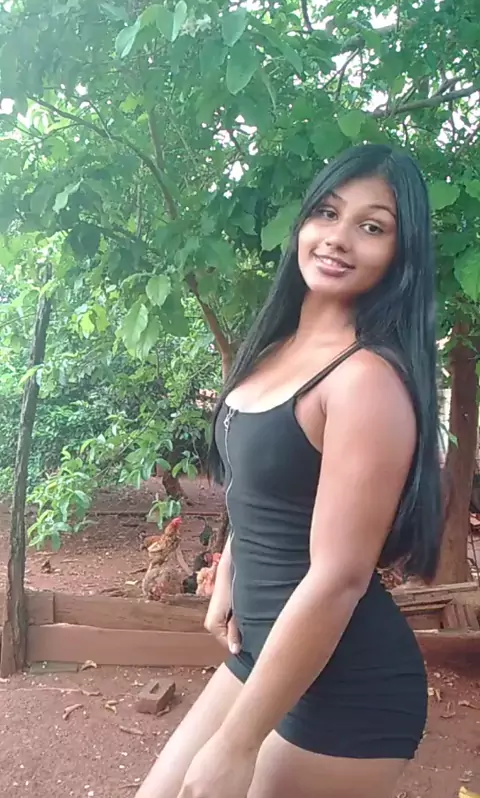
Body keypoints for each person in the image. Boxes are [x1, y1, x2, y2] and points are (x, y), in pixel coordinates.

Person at [135, 143, 443, 798]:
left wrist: (236, 745)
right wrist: (231, 568)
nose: (338, 238)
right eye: (327, 213)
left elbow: (339, 578)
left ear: (401, 252)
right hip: (264, 656)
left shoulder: (364, 379)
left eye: (372, 226)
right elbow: (269, 486)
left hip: (346, 689)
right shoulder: (274, 350)